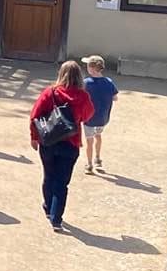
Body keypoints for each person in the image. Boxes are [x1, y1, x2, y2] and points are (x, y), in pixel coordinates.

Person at [29, 61, 95, 232]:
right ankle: (56, 217)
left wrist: (34, 137)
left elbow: (35, 115)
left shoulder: (50, 92)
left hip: (49, 140)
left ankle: (48, 206)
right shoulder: (83, 96)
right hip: (70, 141)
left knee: (48, 176)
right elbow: (87, 116)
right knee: (62, 182)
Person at [82, 56, 119, 175]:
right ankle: (97, 158)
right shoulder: (109, 81)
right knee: (98, 136)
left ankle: (89, 164)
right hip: (103, 118)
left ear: (92, 68)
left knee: (89, 140)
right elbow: (115, 97)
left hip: (89, 118)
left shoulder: (86, 83)